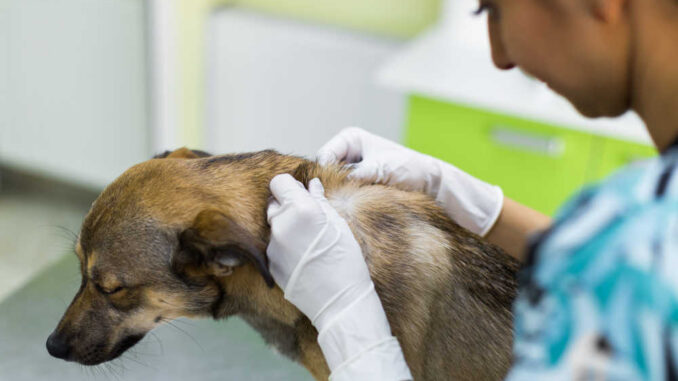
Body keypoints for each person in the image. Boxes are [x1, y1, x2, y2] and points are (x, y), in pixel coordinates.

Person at [266, 0, 678, 379]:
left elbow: (629, 260)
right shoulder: (639, 238)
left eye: (493, 10)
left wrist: (349, 324)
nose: (500, 57)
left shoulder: (634, 256)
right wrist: (478, 206)